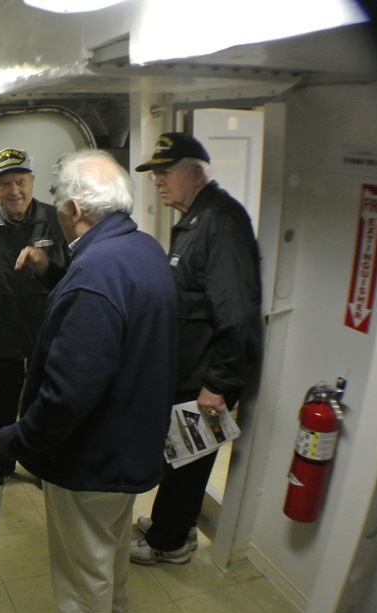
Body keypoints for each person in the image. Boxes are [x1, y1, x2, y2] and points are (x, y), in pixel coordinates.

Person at [0, 149, 178, 613]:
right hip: (133, 438)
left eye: (58, 204)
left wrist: (16, 439)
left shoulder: (95, 274)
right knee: (111, 541)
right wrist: (55, 273)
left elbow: (68, 394)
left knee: (82, 557)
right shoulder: (142, 250)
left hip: (92, 452)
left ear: (73, 208)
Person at [130, 132, 262, 565]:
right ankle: (173, 524)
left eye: (165, 173)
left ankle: (170, 543)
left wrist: (218, 384)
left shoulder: (220, 223)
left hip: (207, 376)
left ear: (196, 172)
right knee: (179, 454)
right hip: (190, 370)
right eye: (155, 174)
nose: (158, 182)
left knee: (189, 461)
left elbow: (238, 313)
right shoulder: (194, 220)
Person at [0, 147, 68, 499]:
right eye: (6, 183)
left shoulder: (55, 220)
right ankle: (1, 469)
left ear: (33, 181)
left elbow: (74, 278)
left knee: (44, 405)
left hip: (45, 334)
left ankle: (41, 465)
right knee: (2, 407)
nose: (14, 190)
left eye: (21, 181)